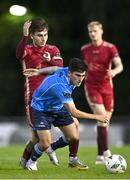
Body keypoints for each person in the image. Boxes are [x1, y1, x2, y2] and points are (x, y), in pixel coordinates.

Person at [23, 58, 109, 171]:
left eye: (83, 76)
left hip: (57, 107)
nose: (80, 79)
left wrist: (39, 72)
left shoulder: (66, 71)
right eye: (78, 75)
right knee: (44, 142)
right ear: (70, 73)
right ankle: (31, 162)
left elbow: (55, 68)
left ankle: (60, 153)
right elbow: (74, 112)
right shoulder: (60, 85)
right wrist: (97, 116)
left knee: (73, 137)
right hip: (41, 108)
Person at [16, 17, 63, 168]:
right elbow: (19, 54)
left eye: (45, 35)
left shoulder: (52, 49)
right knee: (38, 137)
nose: (43, 38)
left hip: (51, 99)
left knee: (38, 137)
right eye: (39, 35)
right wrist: (23, 36)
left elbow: (60, 68)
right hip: (33, 100)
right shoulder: (27, 50)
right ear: (32, 35)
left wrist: (50, 61)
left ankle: (28, 160)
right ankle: (31, 160)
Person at [81, 21, 123, 164]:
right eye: (90, 31)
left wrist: (114, 72)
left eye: (95, 31)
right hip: (92, 87)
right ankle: (107, 153)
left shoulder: (110, 48)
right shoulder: (85, 49)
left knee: (104, 123)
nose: (92, 33)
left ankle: (99, 156)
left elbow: (119, 65)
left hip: (107, 88)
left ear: (101, 31)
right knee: (101, 117)